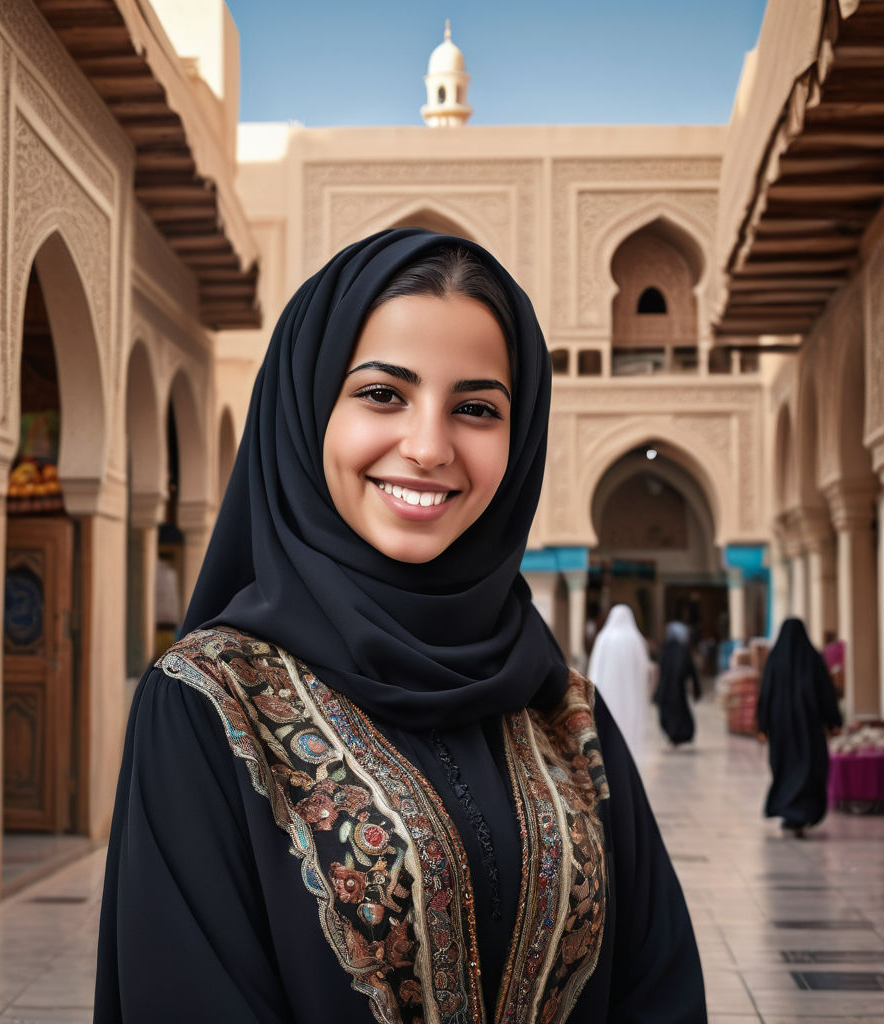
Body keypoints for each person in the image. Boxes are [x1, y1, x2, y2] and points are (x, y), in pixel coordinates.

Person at [94, 230, 705, 1023]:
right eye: (384, 394)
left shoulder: (564, 712)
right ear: (309, 406)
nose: (427, 447)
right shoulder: (210, 703)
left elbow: (658, 987)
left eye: (476, 408)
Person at [758, 617, 842, 837]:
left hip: (780, 729)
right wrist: (834, 721)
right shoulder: (812, 658)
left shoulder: (775, 659)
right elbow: (826, 693)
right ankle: (802, 814)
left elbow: (765, 693)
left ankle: (789, 812)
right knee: (809, 768)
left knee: (785, 768)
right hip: (809, 727)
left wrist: (762, 725)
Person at [586, 604, 651, 761]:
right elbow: (644, 669)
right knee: (628, 723)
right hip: (631, 694)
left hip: (607, 693)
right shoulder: (636, 639)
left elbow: (595, 667)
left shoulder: (604, 638)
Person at [655, 621, 701, 747]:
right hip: (678, 690)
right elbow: (690, 671)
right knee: (679, 713)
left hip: (666, 689)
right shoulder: (682, 649)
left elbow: (661, 671)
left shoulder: (665, 649)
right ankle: (679, 737)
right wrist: (697, 690)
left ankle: (674, 737)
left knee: (670, 714)